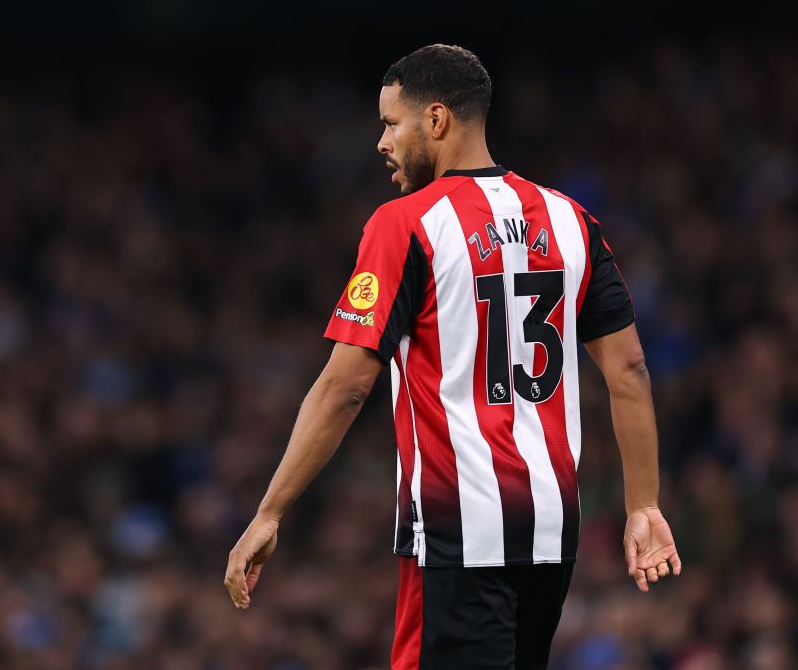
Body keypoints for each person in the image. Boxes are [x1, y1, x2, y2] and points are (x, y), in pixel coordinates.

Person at [224, 43, 682, 669]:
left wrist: (269, 512)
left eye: (391, 124)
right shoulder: (572, 220)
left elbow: (345, 386)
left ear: (435, 120)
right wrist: (644, 504)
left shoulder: (405, 223)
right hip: (551, 532)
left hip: (457, 531)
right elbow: (628, 369)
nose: (381, 142)